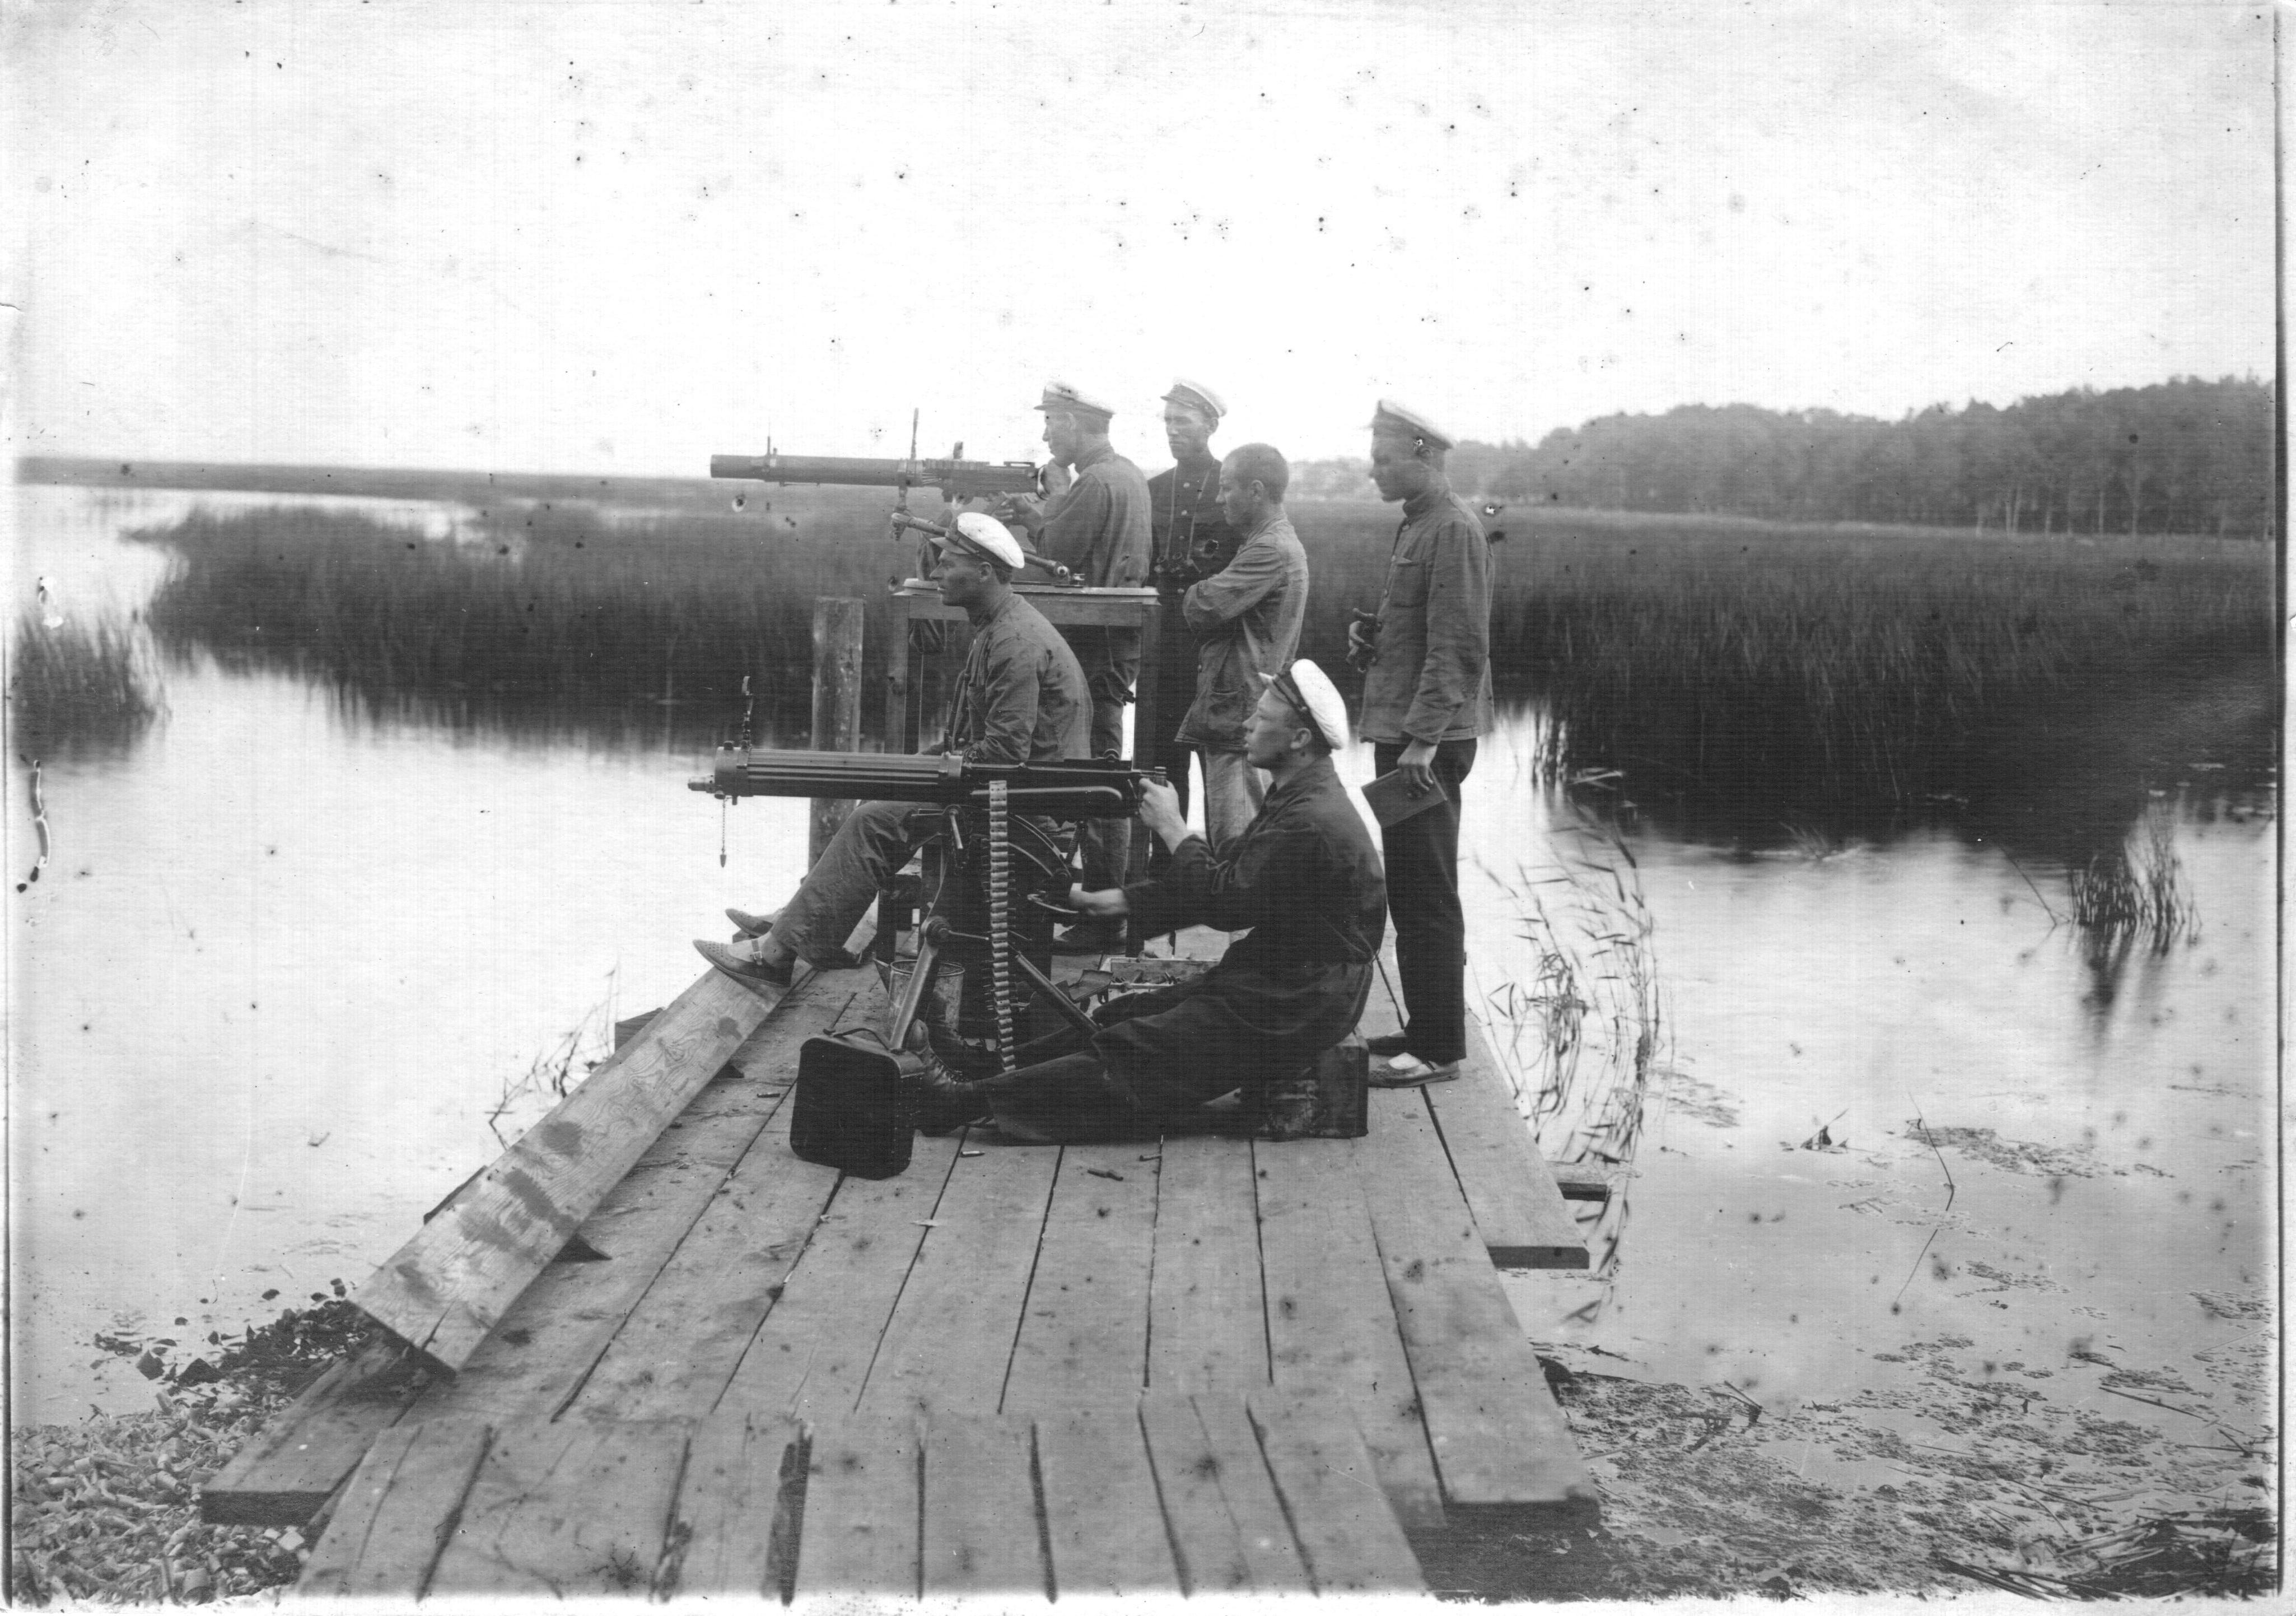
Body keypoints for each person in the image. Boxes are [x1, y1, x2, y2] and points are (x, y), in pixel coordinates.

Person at [913, 659, 1385, 1141]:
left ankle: (961, 1102)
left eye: (1261, 717)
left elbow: (1225, 902)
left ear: (1300, 739)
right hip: (1282, 978)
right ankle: (982, 1069)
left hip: (1301, 1000)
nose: (1247, 724)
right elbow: (1225, 880)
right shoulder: (1300, 796)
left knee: (1139, 1048)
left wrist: (1174, 828)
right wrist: (1105, 902)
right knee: (1123, 1015)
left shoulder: (1307, 819)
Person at [696, 513, 1089, 992]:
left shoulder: (1013, 642)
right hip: (1016, 797)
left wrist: (920, 773)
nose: (936, 573)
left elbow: (1003, 755)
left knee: (874, 821)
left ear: (985, 572)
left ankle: (776, 956)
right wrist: (905, 769)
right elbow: (974, 742)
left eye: (948, 564)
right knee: (878, 800)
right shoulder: (1000, 626)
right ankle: (797, 922)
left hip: (1028, 816)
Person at [1348, 399, 1494, 1087]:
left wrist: (1423, 740)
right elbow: (1422, 629)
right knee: (1410, 888)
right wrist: (1372, 637)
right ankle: (1425, 1025)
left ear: (1423, 455)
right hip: (1407, 735)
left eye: (1383, 459)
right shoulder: (1418, 523)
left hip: (1424, 745)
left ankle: (1437, 1049)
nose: (1372, 470)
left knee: (1426, 891)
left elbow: (1459, 645)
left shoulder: (1452, 529)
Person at [997, 381, 1152, 948]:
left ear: (1071, 422)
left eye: (1050, 422)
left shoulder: (1094, 482)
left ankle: (1103, 918)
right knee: (1103, 775)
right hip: (1112, 649)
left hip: (1092, 651)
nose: (1045, 435)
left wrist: (1036, 513)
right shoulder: (1127, 475)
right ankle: (1106, 908)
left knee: (1097, 781)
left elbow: (1059, 555)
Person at [1177, 442, 1308, 850]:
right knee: (1243, 841)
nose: (1220, 499)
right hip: (1245, 713)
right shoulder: (1268, 542)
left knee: (1235, 843)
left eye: (1227, 487)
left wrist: (1192, 588)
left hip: (1240, 718)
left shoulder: (1268, 548)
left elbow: (1202, 607)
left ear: (1256, 491)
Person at [1141, 378, 1240, 863]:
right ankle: (1167, 874)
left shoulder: (1232, 489)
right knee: (1163, 767)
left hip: (1215, 653)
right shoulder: (1154, 489)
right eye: (1168, 421)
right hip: (1163, 653)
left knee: (1222, 774)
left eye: (1183, 421)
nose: (1172, 430)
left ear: (1211, 426)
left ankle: (1225, 877)